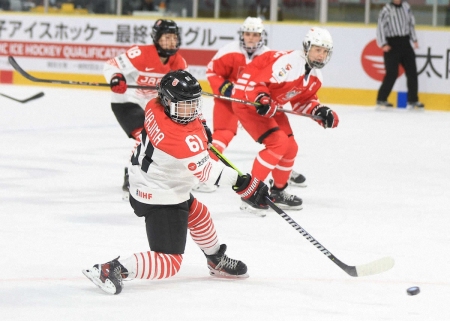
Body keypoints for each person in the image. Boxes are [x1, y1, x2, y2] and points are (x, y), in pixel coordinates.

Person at [83, 70, 270, 295]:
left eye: (194, 105)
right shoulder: (178, 137)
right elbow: (208, 173)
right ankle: (112, 269)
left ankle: (215, 259)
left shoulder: (155, 105)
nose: (190, 111)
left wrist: (200, 126)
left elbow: (192, 124)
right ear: (168, 101)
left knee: (198, 212)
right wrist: (246, 185)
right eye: (184, 105)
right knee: (169, 262)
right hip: (159, 194)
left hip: (153, 181)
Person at [231, 27, 339, 214]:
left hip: (271, 105)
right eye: (317, 50)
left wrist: (321, 111)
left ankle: (278, 192)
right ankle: (250, 195)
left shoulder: (315, 76)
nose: (321, 55)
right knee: (278, 143)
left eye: (325, 51)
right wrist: (262, 99)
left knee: (290, 147)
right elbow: (257, 84)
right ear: (307, 47)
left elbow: (303, 102)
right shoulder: (289, 63)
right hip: (248, 101)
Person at [195, 17, 306, 193]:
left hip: (257, 104)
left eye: (255, 34)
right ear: (242, 34)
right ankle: (203, 173)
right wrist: (225, 87)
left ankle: (284, 171)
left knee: (281, 139)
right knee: (222, 134)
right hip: (230, 101)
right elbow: (212, 71)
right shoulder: (229, 51)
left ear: (261, 36)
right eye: (248, 34)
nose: (251, 38)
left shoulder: (269, 55)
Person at [103, 19, 188, 198]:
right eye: (167, 37)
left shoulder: (179, 62)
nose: (171, 41)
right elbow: (111, 65)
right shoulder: (140, 53)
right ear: (156, 38)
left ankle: (155, 173)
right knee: (145, 135)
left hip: (153, 107)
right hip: (126, 102)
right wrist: (116, 77)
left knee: (163, 140)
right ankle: (132, 174)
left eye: (174, 37)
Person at [376, 0, 424, 110]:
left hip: (406, 43)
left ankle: (413, 100)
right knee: (392, 73)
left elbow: (411, 24)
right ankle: (381, 98)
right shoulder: (386, 9)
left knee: (412, 72)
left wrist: (414, 39)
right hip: (392, 43)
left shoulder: (406, 6)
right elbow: (380, 27)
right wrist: (383, 43)